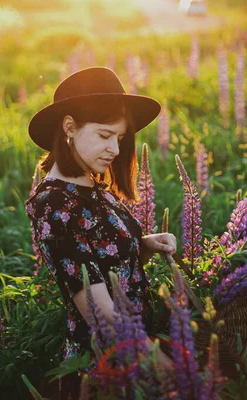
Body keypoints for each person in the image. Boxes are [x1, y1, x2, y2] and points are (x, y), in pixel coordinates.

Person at [25, 67, 176, 399]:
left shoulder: (92, 186)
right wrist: (159, 363)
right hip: (106, 365)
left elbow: (107, 260)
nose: (116, 150)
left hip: (136, 346)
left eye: (119, 139)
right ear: (69, 128)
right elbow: (98, 308)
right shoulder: (54, 205)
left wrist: (146, 244)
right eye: (105, 135)